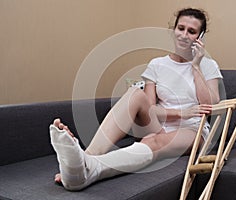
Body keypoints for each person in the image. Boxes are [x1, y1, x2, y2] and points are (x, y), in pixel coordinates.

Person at [50, 7, 223, 191]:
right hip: (161, 124)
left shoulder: (207, 65)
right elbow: (151, 110)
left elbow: (210, 105)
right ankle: (86, 158)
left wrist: (195, 65)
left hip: (192, 130)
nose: (184, 35)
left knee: (151, 141)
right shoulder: (157, 65)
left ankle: (89, 170)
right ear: (173, 30)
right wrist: (181, 112)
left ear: (200, 37)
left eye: (192, 31)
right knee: (135, 93)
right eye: (181, 28)